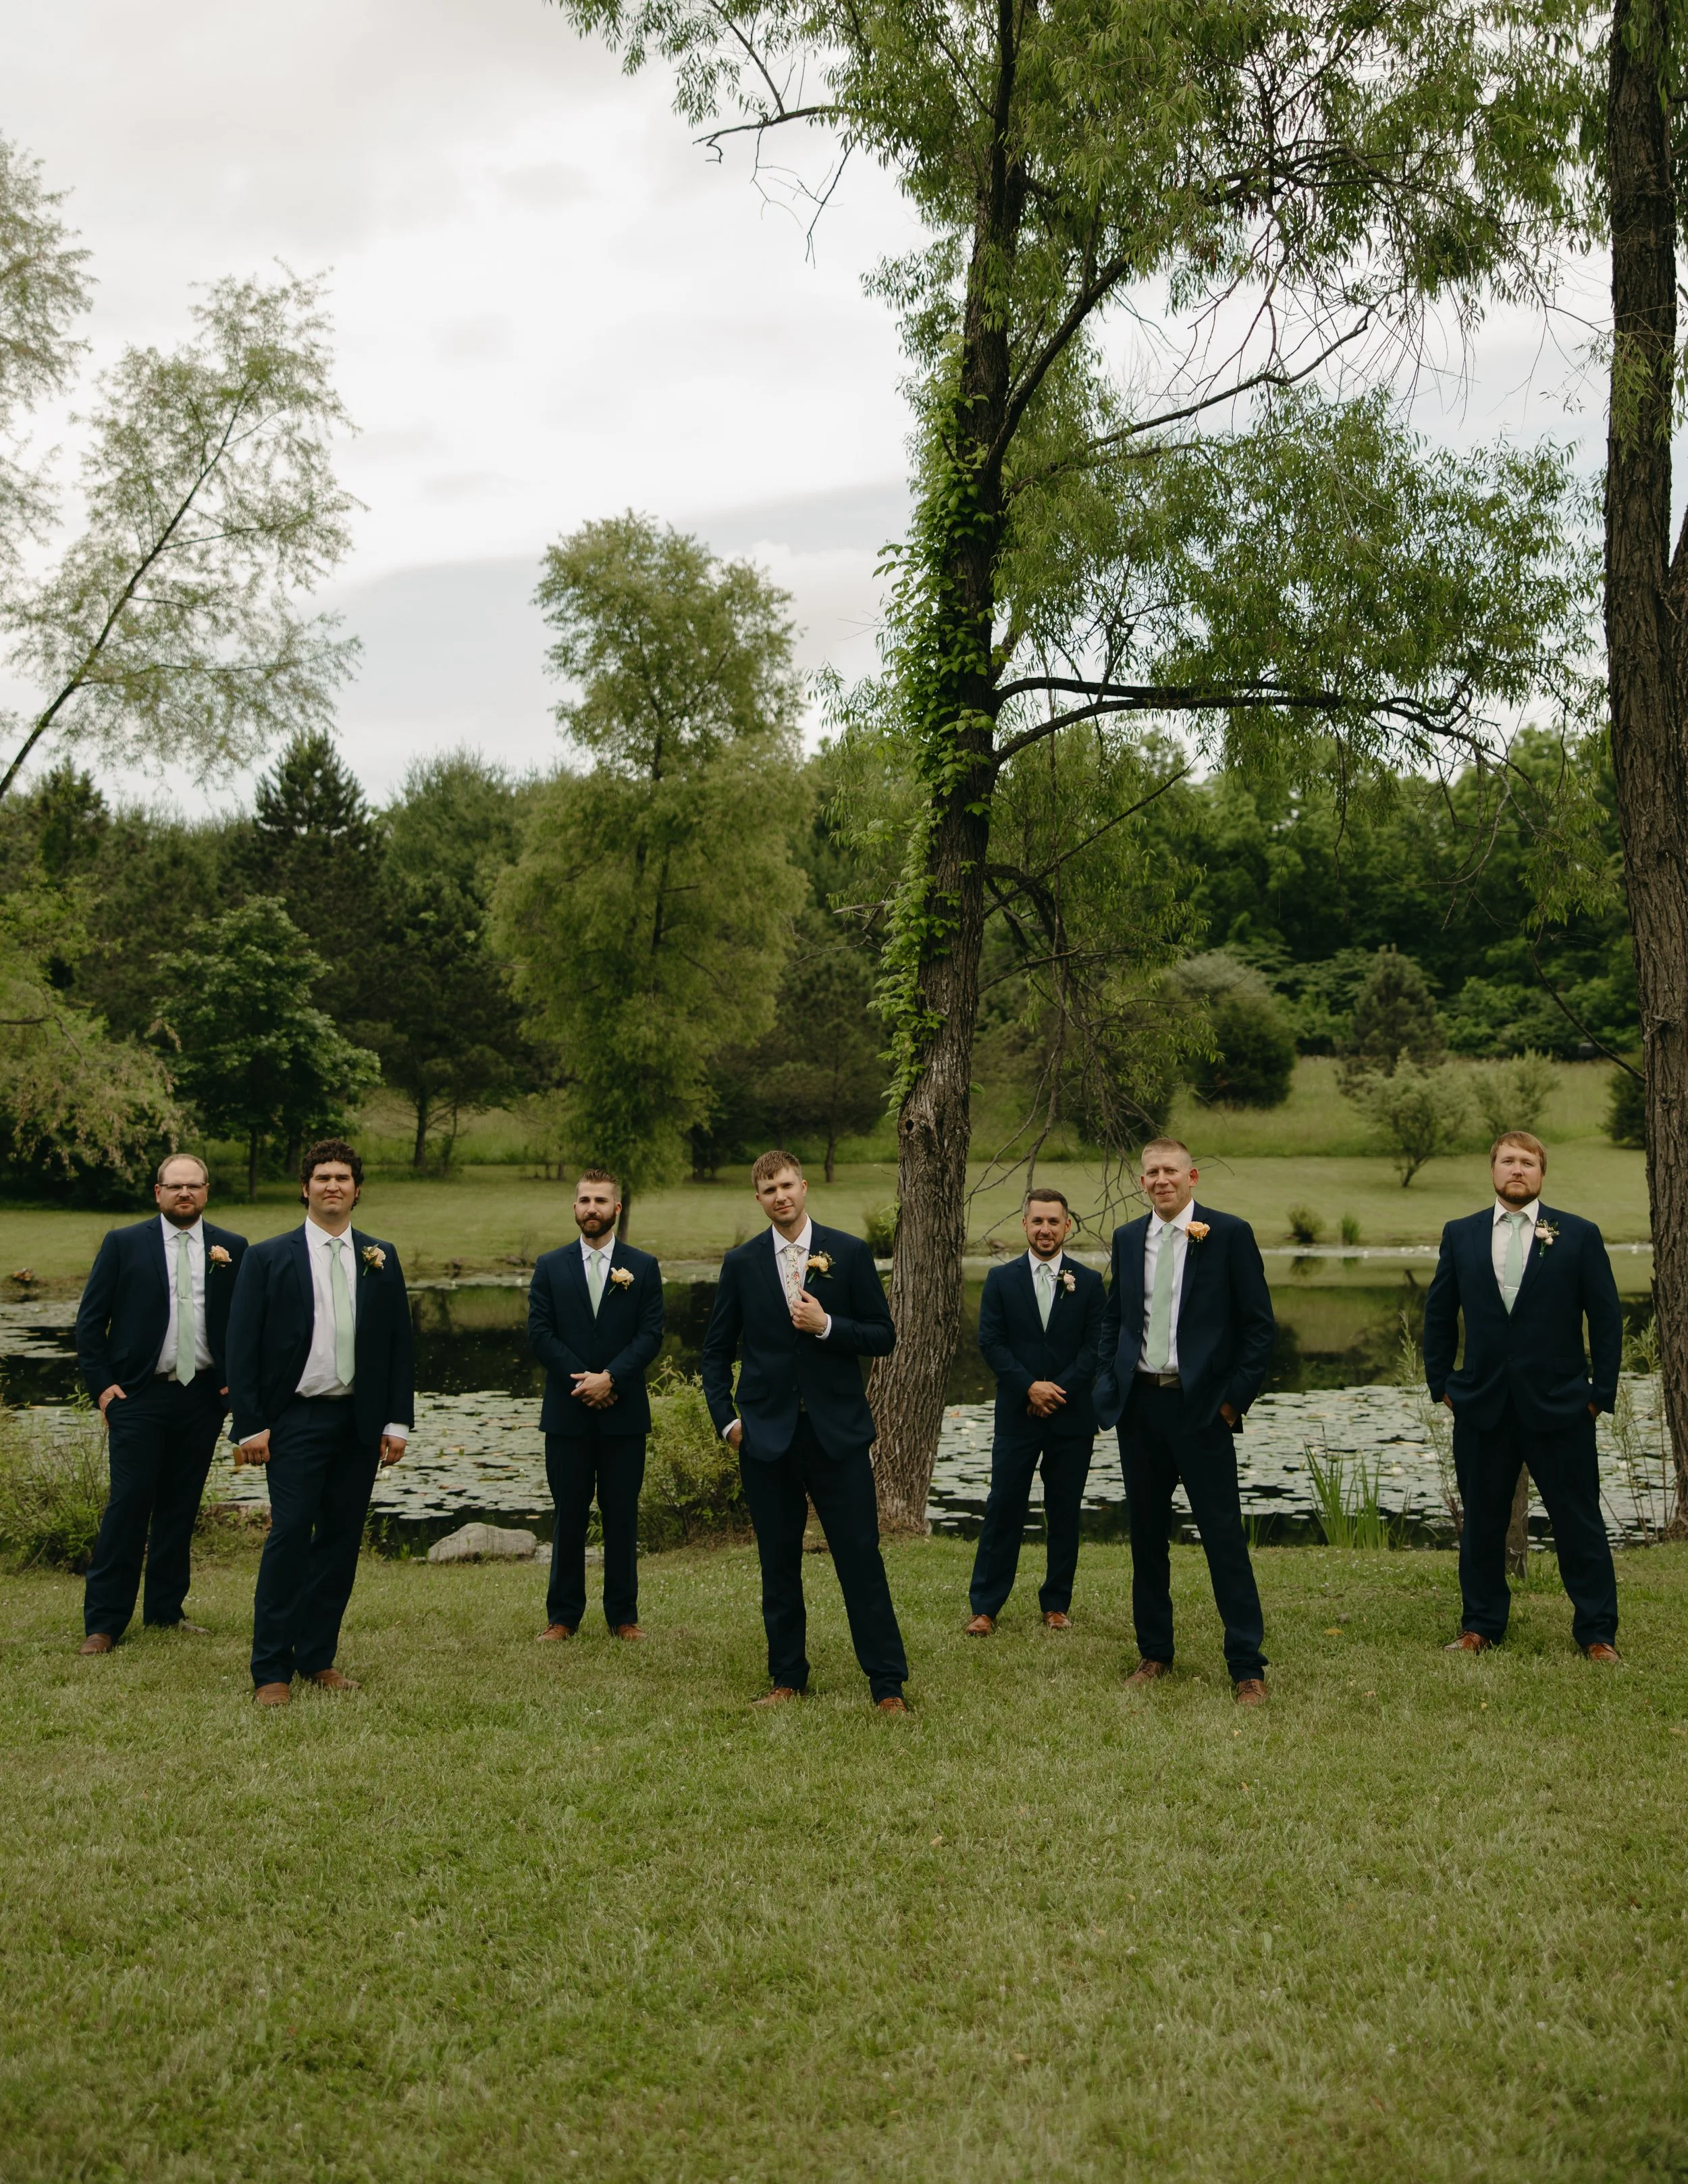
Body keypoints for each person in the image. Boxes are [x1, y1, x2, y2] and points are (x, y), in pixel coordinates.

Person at [701, 1150, 909, 1711]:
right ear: (759, 1198)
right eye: (769, 1189)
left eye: (787, 1185)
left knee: (861, 1559)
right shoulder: (742, 1263)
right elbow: (715, 1354)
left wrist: (828, 1326)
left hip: (836, 1434)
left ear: (804, 1186)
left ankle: (887, 1684)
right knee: (778, 1563)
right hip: (765, 1439)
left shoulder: (848, 1251)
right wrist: (728, 1422)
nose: (780, 1196)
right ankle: (787, 1678)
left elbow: (882, 1335)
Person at [1423, 1129, 1624, 1660]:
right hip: (1483, 1403)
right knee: (1483, 1522)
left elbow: (1605, 1318)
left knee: (1578, 1521)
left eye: (1528, 1162)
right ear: (1493, 1170)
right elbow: (1440, 1313)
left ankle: (1597, 1632)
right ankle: (1481, 1624)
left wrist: (1600, 1393)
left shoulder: (1578, 1235)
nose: (1518, 1169)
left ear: (1541, 1173)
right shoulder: (1461, 1234)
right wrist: (1441, 1382)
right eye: (1508, 1160)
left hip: (1561, 1404)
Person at [226, 1139, 413, 1706]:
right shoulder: (268, 1257)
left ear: (358, 1189)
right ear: (304, 1187)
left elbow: (399, 1344)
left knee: (339, 1541)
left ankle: (318, 1657)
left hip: (358, 1421)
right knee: (289, 1535)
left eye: (343, 1177)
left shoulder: (381, 1256)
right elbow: (242, 1344)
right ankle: (271, 1669)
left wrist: (396, 1421)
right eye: (322, 1177)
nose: (333, 1185)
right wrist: (251, 1423)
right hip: (295, 1419)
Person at [1094, 1138, 1276, 1703]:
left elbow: (1259, 1329)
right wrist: (1109, 1380)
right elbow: (1115, 1319)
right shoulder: (1128, 1239)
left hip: (1202, 1409)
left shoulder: (1228, 1234)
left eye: (1170, 1170)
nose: (1160, 1179)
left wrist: (1230, 1402)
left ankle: (1246, 1665)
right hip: (1140, 1407)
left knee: (1223, 1537)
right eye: (1151, 1172)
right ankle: (1154, 1653)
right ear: (1142, 1181)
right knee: (1147, 1536)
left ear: (1192, 1176)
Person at [73, 1153, 248, 1654]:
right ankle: (104, 1623)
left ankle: (166, 1612)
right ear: (158, 1192)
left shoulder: (231, 1248)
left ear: (207, 1192)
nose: (184, 1193)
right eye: (175, 1186)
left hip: (202, 1398)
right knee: (129, 1504)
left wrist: (234, 1384)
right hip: (138, 1394)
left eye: (193, 1185)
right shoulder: (124, 1243)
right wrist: (103, 1387)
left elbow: (244, 1322)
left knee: (179, 1507)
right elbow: (91, 1322)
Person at [527, 1167, 664, 1643]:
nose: (592, 1208)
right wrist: (584, 1382)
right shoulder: (549, 1265)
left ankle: (623, 1616)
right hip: (567, 1413)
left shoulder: (642, 1267)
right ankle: (562, 1616)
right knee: (568, 1513)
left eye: (601, 1201)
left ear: (617, 1208)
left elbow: (650, 1335)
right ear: (574, 1207)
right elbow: (540, 1334)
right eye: (584, 1200)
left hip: (623, 1413)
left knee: (622, 1513)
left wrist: (611, 1379)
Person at [964, 1188, 1104, 1635]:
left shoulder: (1090, 1282)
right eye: (1038, 1220)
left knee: (1064, 1510)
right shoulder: (1001, 1280)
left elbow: (1097, 1345)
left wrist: (1056, 1390)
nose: (1045, 1228)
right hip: (1016, 1414)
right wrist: (1029, 1385)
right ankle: (985, 1607)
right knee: (1004, 1505)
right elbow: (991, 1341)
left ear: (1067, 1226)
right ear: (1025, 1225)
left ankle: (1056, 1603)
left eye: (1054, 1221)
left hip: (1071, 1415)